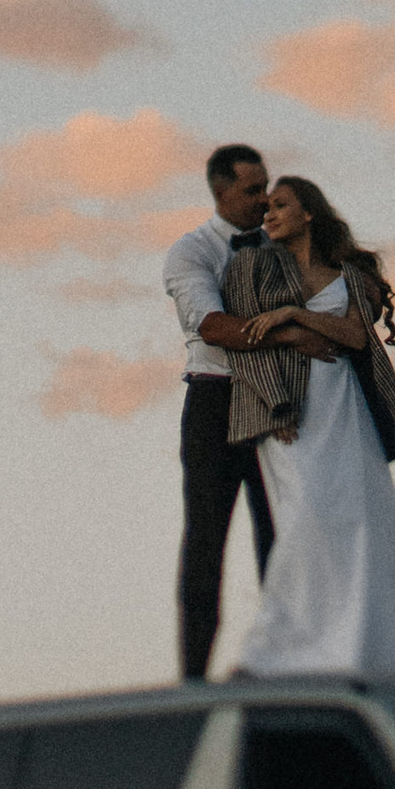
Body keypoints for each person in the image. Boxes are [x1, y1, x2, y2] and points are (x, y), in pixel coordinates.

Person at [225, 174, 395, 680]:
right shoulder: (253, 267)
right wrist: (274, 401)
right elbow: (243, 344)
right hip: (290, 415)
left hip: (346, 411)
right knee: (305, 518)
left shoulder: (351, 276)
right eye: (266, 210)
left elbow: (353, 334)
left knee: (362, 521)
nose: (270, 215)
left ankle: (366, 647)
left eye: (281, 206)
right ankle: (274, 649)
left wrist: (291, 314)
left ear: (309, 213)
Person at [162, 141, 277, 681]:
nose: (264, 199)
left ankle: (281, 660)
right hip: (215, 399)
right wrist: (291, 332)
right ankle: (193, 678)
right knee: (207, 540)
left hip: (276, 399)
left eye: (266, 187)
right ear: (221, 191)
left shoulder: (285, 245)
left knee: (280, 538)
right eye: (253, 190)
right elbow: (211, 325)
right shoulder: (191, 251)